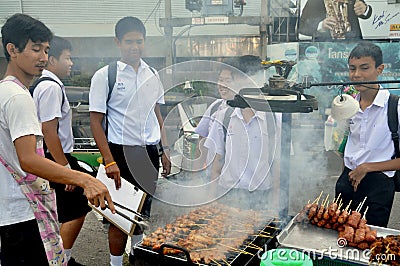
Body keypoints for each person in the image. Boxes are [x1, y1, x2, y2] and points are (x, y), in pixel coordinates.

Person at [0, 13, 115, 266]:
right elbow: (28, 159)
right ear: (12, 50)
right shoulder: (18, 97)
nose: (43, 57)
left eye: (46, 50)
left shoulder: (6, 90)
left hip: (12, 211)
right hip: (23, 214)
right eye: (35, 49)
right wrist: (84, 179)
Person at [89, 16, 170, 266]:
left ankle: (138, 259)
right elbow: (95, 122)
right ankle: (115, 263)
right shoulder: (105, 76)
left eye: (139, 41)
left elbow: (157, 114)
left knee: (142, 212)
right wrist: (109, 160)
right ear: (118, 42)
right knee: (119, 215)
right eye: (129, 42)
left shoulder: (152, 73)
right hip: (121, 153)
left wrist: (164, 151)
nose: (135, 47)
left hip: (148, 153)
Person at [32, 36, 91, 266]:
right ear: (52, 59)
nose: (71, 63)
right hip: (55, 157)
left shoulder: (43, 84)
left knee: (59, 211)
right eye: (68, 58)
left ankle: (58, 256)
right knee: (79, 207)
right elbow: (48, 130)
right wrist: (64, 168)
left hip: (53, 157)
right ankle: (60, 259)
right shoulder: (50, 87)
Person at [203, 63, 282, 211]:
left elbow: (277, 164)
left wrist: (275, 201)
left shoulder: (273, 119)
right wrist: (211, 198)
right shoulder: (223, 116)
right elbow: (217, 162)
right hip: (228, 194)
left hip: (261, 195)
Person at [335, 42, 397, 227]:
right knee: (339, 236)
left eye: (364, 68)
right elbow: (343, 144)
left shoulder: (394, 106)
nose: (357, 75)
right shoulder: (348, 105)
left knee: (368, 242)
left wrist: (367, 167)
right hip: (347, 181)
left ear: (380, 69)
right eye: (352, 69)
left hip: (378, 185)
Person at [298, 0, 372, 41]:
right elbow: (301, 26)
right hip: (325, 49)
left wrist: (365, 8)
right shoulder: (314, 1)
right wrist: (321, 26)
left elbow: (367, 13)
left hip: (353, 46)